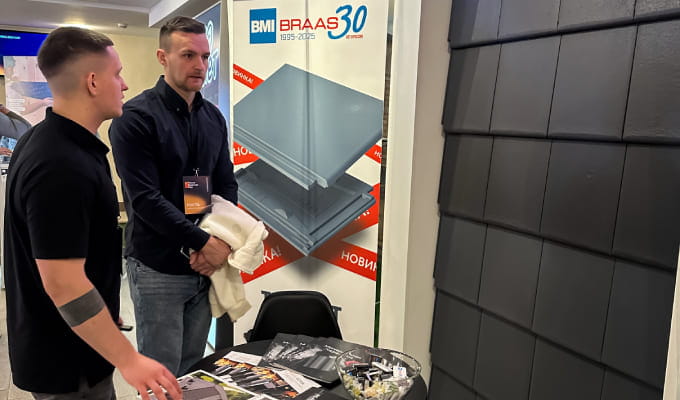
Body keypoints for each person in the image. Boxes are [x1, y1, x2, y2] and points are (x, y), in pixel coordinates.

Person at [3, 27, 182, 400]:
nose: (125, 85)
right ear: (93, 82)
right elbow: (64, 283)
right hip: (67, 364)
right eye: (117, 74)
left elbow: (66, 250)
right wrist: (130, 360)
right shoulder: (60, 164)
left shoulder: (56, 142)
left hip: (77, 344)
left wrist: (101, 309)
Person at [109, 16, 238, 376]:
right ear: (162, 57)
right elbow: (146, 200)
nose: (200, 65)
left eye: (205, 56)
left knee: (194, 371)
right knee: (161, 375)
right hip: (158, 268)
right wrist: (204, 243)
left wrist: (220, 242)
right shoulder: (135, 118)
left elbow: (225, 185)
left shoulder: (212, 118)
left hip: (204, 266)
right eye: (188, 55)